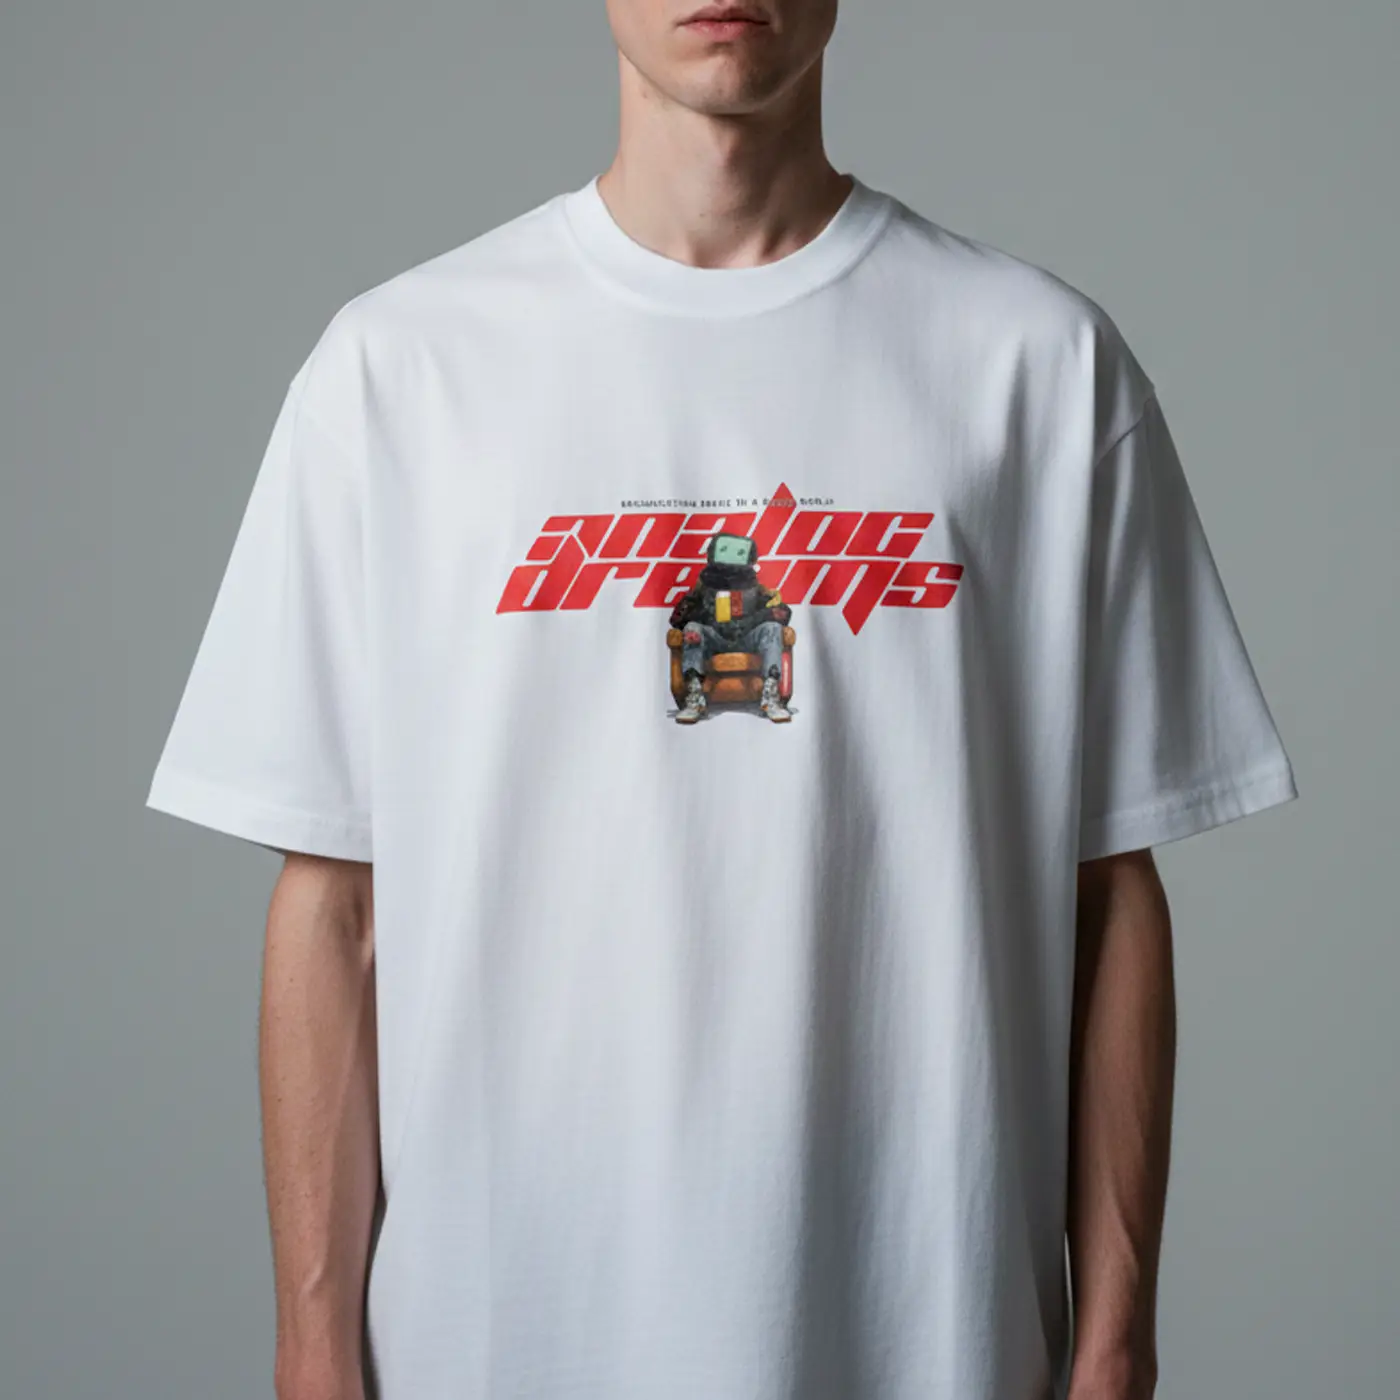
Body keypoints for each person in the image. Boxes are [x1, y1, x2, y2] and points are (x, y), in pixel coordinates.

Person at [145, 3, 1298, 1398]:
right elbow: (335, 903)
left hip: (927, 1336)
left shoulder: (1037, 365)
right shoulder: (400, 370)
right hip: (498, 1338)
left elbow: (1109, 890)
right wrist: (313, 1349)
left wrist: (1113, 1347)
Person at [668, 530, 793, 722]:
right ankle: (694, 697)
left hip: (747, 640)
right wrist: (699, 619)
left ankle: (771, 696)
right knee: (692, 628)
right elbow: (677, 617)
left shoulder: (756, 589)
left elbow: (783, 613)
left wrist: (764, 615)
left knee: (772, 628)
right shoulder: (703, 588)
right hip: (714, 640)